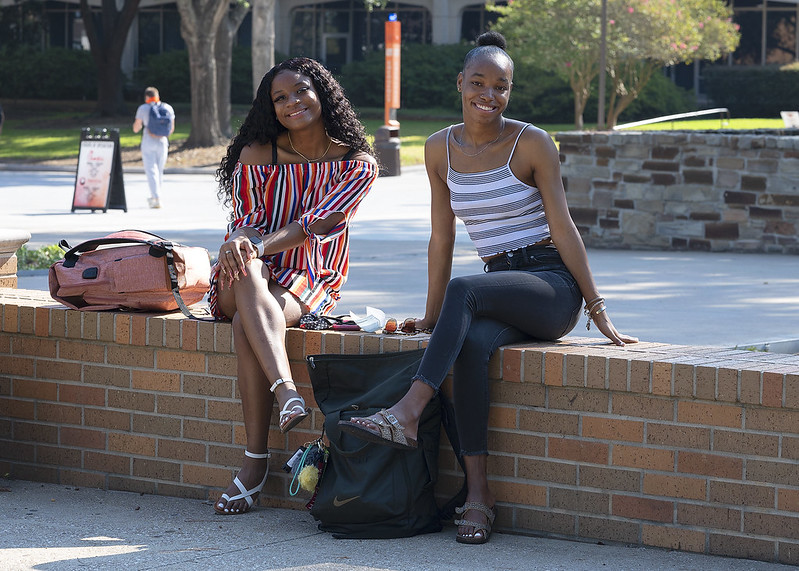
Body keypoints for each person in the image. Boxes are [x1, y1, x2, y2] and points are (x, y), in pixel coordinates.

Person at [340, 32, 638, 545]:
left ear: (509, 92)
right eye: (478, 82)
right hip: (497, 281)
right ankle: (479, 497)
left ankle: (407, 412)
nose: (489, 94)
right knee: (471, 345)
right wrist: (433, 317)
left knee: (467, 288)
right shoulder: (439, 148)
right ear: (461, 83)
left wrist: (597, 307)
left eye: (501, 86)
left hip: (550, 287)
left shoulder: (533, 143)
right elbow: (442, 238)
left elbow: (563, 226)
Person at [209, 57, 378, 515]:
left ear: (323, 93)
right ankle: (286, 392)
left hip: (310, 273)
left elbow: (317, 224)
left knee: (250, 318)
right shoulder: (258, 153)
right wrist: (242, 243)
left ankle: (254, 462)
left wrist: (255, 246)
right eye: (279, 98)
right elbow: (244, 221)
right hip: (247, 269)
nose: (292, 103)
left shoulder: (356, 164)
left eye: (301, 91)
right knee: (246, 272)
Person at [132, 86, 175, 209]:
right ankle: (157, 196)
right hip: (162, 141)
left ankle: (156, 198)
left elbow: (136, 128)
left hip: (148, 141)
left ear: (146, 97)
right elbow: (171, 129)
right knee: (159, 170)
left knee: (151, 170)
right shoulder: (167, 108)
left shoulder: (143, 108)